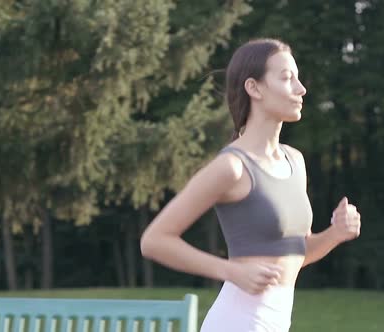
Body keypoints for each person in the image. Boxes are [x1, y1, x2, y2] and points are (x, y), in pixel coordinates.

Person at [140, 38, 361, 332]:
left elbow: (297, 253)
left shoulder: (295, 161)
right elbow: (154, 240)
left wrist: (335, 234)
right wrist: (230, 271)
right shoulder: (232, 167)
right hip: (237, 322)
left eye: (297, 77)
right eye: (286, 78)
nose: (301, 89)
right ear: (254, 88)